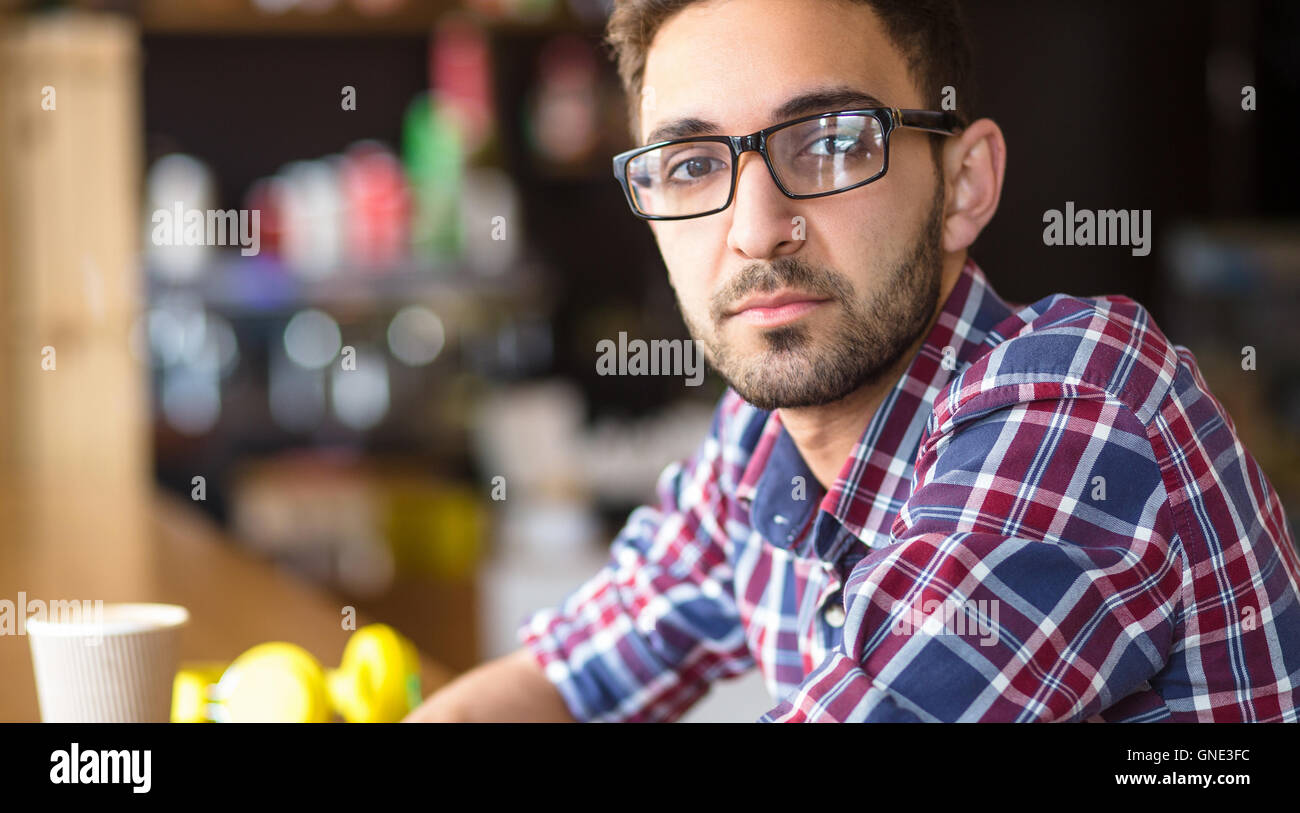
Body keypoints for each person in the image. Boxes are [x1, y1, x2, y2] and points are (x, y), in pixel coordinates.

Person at [405, 0, 1300, 722]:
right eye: (688, 166)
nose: (755, 229)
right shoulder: (759, 447)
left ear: (964, 185)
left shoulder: (1079, 402)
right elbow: (566, 677)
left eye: (829, 141)